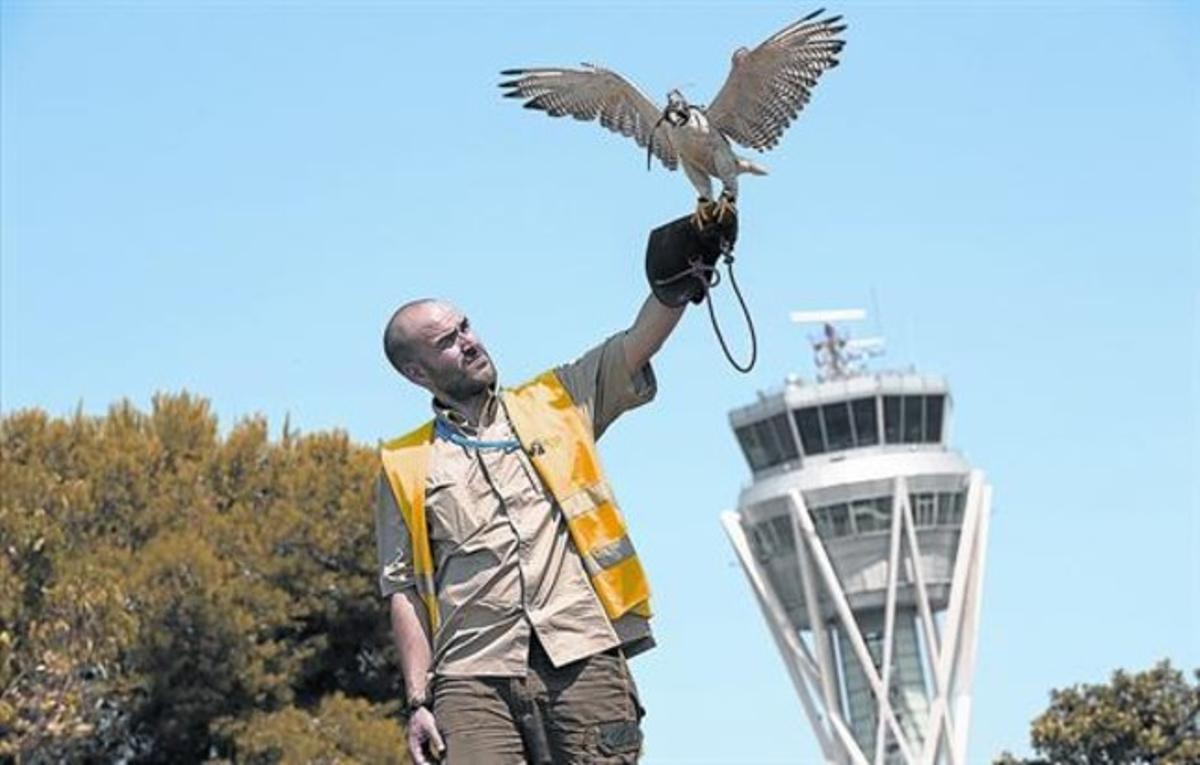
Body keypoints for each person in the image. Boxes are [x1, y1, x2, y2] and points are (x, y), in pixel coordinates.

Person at [374, 211, 737, 764]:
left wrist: (678, 281)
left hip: (583, 651)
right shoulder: (404, 462)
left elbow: (637, 344)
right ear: (416, 373)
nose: (469, 343)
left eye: (466, 326)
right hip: (471, 680)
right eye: (448, 341)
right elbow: (401, 590)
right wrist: (418, 699)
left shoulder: (557, 399)